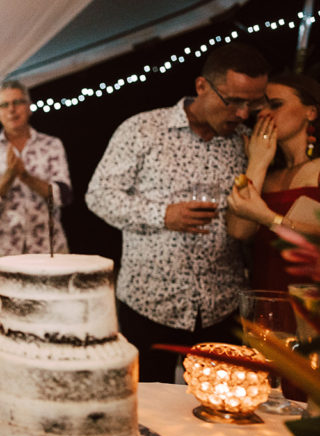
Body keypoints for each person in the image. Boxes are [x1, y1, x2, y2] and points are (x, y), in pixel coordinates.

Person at [86, 42, 270, 383]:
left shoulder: (245, 143)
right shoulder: (142, 129)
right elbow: (98, 195)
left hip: (221, 306)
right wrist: (162, 215)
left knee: (217, 414)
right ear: (202, 86)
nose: (243, 113)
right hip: (149, 302)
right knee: (146, 413)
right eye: (233, 101)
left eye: (253, 103)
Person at [227, 69, 320, 290]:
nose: (262, 114)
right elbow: (238, 230)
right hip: (267, 296)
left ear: (311, 112)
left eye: (275, 105)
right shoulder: (267, 175)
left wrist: (270, 219)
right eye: (260, 109)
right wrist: (257, 163)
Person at [0, 80, 71, 277]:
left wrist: (25, 176)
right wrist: (10, 175)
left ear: (29, 107)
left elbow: (63, 195)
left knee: (53, 306)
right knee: (6, 307)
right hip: (6, 249)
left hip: (49, 247)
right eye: (4, 105)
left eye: (17, 102)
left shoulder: (51, 145)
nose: (12, 110)